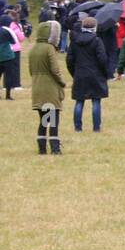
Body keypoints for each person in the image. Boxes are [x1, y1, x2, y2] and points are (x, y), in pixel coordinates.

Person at [29, 20, 69, 154]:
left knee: (43, 120)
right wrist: (62, 82)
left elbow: (30, 70)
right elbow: (55, 69)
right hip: (49, 90)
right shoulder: (49, 48)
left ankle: (41, 148)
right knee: (53, 120)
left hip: (37, 88)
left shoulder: (33, 48)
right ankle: (55, 148)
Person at [66, 14, 110, 132]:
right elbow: (102, 59)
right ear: (94, 27)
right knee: (96, 100)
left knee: (79, 101)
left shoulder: (74, 41)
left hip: (80, 73)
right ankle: (96, 127)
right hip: (96, 74)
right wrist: (105, 73)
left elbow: (69, 59)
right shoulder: (96, 40)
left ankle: (78, 127)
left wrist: (74, 72)